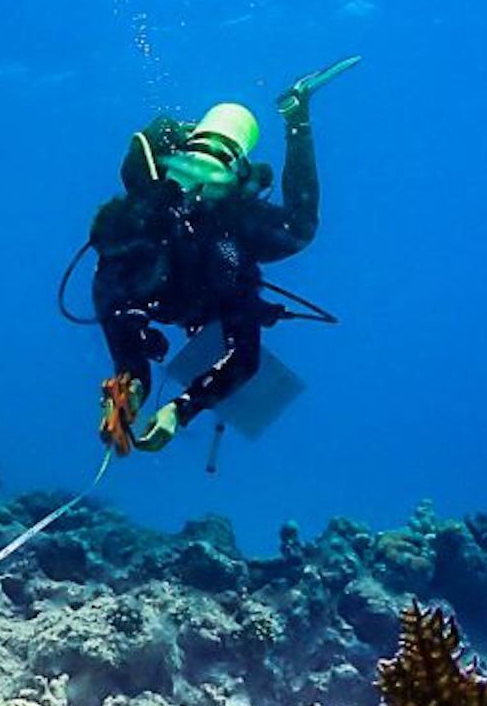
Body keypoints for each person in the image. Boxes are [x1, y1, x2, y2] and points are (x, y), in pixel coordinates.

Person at [89, 58, 355, 453]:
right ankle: (134, 383)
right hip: (169, 291)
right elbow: (112, 293)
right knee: (288, 240)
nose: (197, 190)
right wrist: (147, 390)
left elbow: (243, 355)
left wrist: (178, 408)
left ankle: (134, 382)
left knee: (282, 245)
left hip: (181, 292)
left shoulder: (222, 236)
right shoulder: (149, 220)